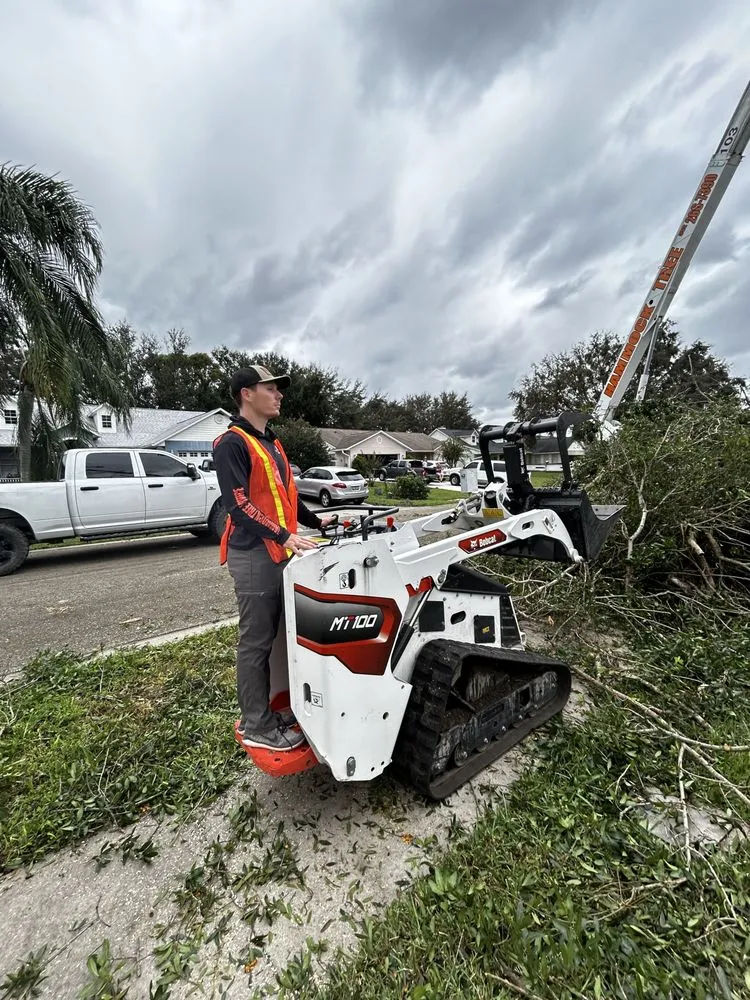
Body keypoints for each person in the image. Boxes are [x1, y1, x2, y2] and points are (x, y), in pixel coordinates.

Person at [213, 364, 336, 751]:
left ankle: (275, 709)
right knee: (256, 642)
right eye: (271, 388)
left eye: (279, 389)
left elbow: (285, 498)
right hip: (254, 557)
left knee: (282, 638)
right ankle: (256, 725)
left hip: (280, 553)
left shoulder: (272, 442)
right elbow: (238, 506)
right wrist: (287, 536)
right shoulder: (231, 443)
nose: (279, 395)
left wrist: (318, 521)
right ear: (246, 394)